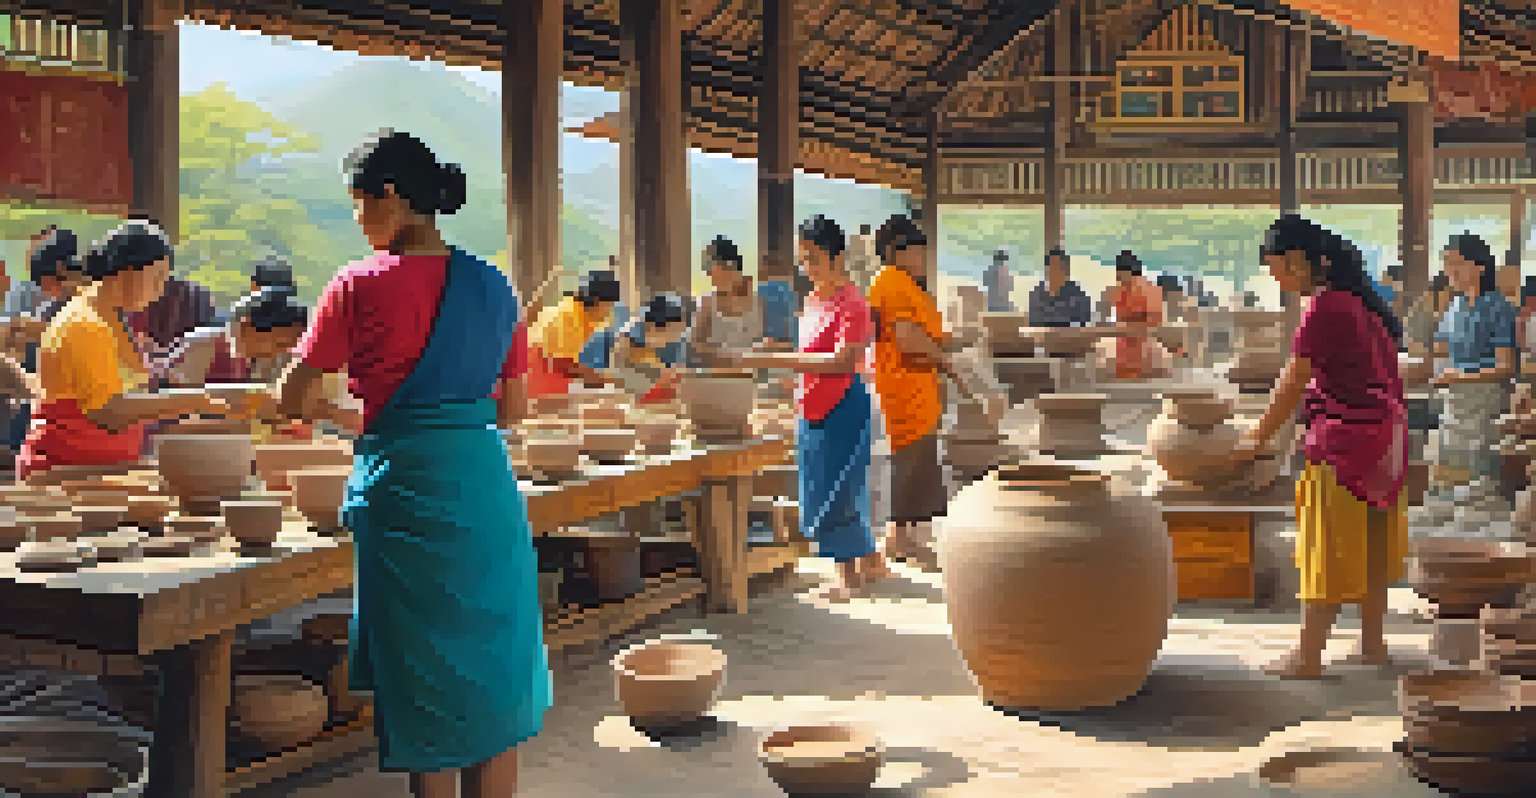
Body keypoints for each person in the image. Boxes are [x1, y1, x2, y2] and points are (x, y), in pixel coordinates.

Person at [273, 130, 546, 795]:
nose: (359, 222)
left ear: (390, 197)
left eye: (360, 205)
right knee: (494, 675)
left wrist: (351, 412)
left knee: (423, 680)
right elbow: (512, 412)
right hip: (483, 492)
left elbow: (293, 397)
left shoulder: (357, 285)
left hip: (407, 497)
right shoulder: (494, 286)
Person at [1231, 215, 1407, 679]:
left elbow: (1293, 380)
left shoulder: (1327, 307)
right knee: (1369, 547)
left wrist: (1256, 438)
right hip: (1388, 442)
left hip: (1347, 442)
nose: (1284, 285)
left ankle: (1307, 656)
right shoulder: (1366, 305)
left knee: (1324, 548)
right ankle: (1373, 645)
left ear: (1301, 260)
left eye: (1282, 273)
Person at [721, 215, 883, 602]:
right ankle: (865, 566)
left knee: (838, 490)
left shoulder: (854, 304)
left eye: (813, 259)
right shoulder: (812, 300)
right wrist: (772, 351)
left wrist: (781, 363)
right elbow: (809, 353)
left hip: (844, 403)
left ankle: (848, 581)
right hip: (812, 404)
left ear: (838, 257)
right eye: (803, 259)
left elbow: (843, 361)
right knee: (820, 486)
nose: (807, 268)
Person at [18, 221, 227, 482]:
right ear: (127, 270)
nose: (160, 290)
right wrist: (193, 400)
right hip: (63, 472)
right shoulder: (84, 322)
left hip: (101, 471)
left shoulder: (112, 318)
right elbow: (108, 411)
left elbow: (133, 398)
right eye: (157, 277)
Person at [868, 215, 956, 573]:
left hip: (918, 385)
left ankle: (909, 537)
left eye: (923, 252)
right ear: (893, 252)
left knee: (920, 461)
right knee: (907, 461)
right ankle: (897, 537)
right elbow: (906, 337)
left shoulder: (908, 284)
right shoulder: (890, 282)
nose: (921, 259)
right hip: (901, 384)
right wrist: (943, 358)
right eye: (915, 252)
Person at [1427, 233, 1519, 527]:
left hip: (1485, 402)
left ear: (1479, 266)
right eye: (1446, 264)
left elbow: (1506, 366)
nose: (1449, 271)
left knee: (1482, 486)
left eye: (1456, 263)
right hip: (1454, 401)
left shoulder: (1498, 307)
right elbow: (1440, 351)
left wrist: (1461, 375)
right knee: (1449, 479)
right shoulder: (1453, 308)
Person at [526, 268, 621, 399]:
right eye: (609, 305)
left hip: (549, 383)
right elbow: (561, 363)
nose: (610, 311)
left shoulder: (582, 315)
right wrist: (605, 379)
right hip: (538, 384)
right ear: (597, 301)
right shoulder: (568, 316)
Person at [584, 292, 689, 403]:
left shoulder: (675, 345)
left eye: (678, 330)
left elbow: (675, 375)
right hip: (621, 394)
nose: (676, 334)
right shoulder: (628, 334)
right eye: (672, 329)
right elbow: (612, 374)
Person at [1106, 250, 1163, 378]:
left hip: (1141, 355)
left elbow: (1152, 321)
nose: (1117, 278)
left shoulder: (1141, 288)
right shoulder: (1123, 290)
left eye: (1119, 274)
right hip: (1129, 357)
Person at [1026, 248, 1092, 328]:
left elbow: (1082, 322)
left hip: (1070, 338)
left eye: (1060, 267)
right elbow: (1035, 322)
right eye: (1052, 267)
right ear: (1047, 270)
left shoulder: (1078, 294)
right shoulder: (1037, 294)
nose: (1056, 271)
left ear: (1067, 271)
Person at [984, 248, 1015, 313]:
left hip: (992, 305)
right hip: (1004, 306)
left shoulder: (988, 271)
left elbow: (985, 283)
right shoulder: (1007, 272)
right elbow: (1011, 287)